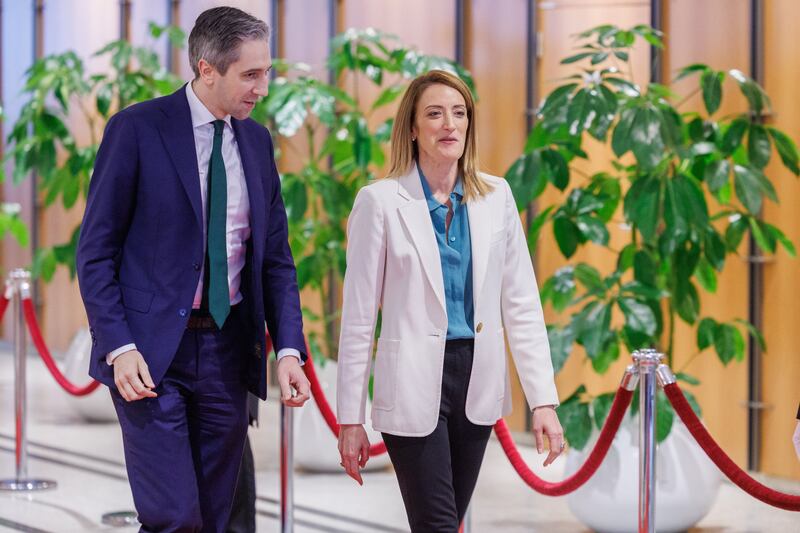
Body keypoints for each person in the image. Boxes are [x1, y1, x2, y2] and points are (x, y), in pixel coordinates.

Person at [76, 7, 310, 532]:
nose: (263, 87)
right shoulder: (137, 130)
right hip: (152, 355)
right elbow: (95, 253)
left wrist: (290, 348)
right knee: (173, 519)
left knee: (214, 517)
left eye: (266, 72)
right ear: (207, 69)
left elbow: (275, 258)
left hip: (228, 354)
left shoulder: (256, 141)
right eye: (250, 74)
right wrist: (119, 346)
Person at [336, 69, 564, 532]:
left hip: (475, 382)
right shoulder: (379, 202)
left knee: (446, 521)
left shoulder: (496, 196)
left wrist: (543, 401)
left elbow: (521, 303)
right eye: (435, 114)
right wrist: (349, 418)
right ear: (413, 128)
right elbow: (359, 318)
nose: (449, 125)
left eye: (459, 113)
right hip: (411, 383)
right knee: (438, 525)